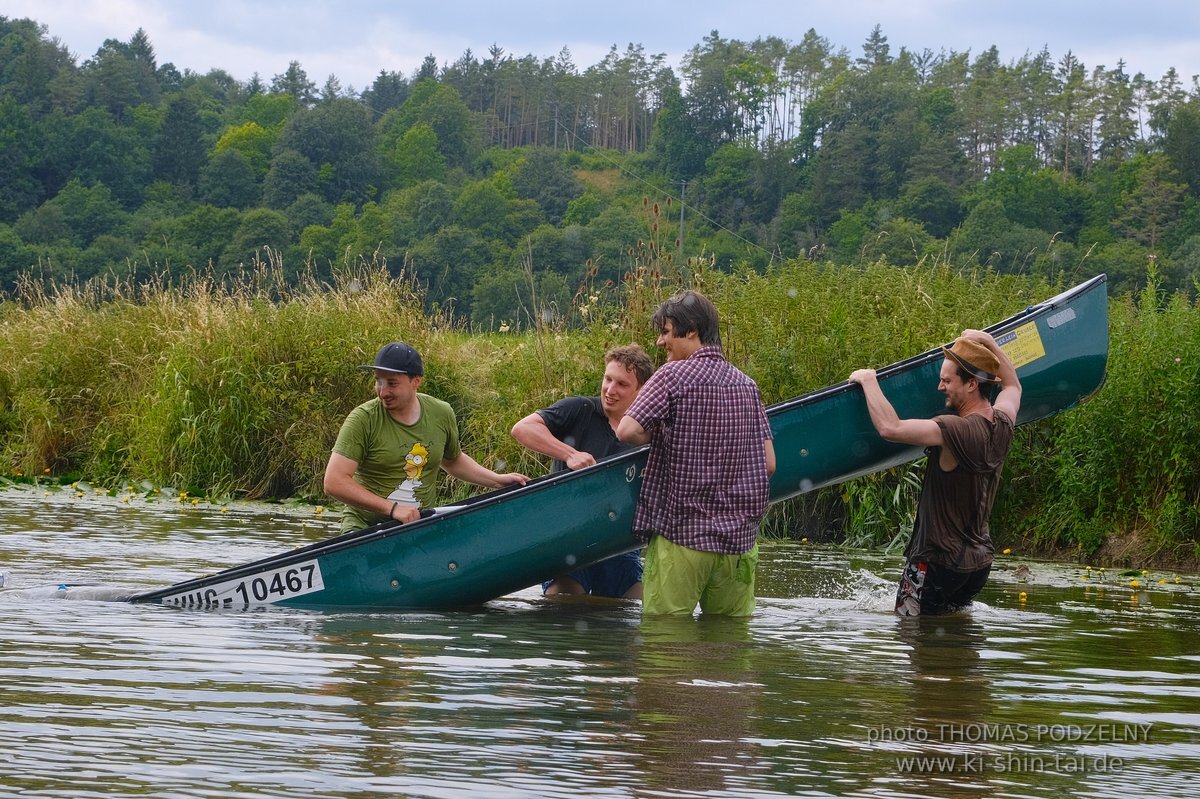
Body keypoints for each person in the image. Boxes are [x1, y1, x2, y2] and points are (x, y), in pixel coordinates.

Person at [617, 291, 776, 617]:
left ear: (690, 331)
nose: (661, 342)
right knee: (730, 653)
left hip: (682, 538)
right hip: (738, 546)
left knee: (666, 647)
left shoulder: (671, 376)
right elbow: (769, 464)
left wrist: (658, 433)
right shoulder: (747, 385)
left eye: (665, 331)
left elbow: (627, 430)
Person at [848, 329, 1022, 616]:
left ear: (971, 385)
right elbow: (1013, 386)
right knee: (955, 639)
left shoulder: (955, 429)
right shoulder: (1003, 423)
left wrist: (869, 381)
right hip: (977, 566)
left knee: (911, 634)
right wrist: (990, 343)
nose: (940, 387)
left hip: (936, 562)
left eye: (946, 380)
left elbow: (891, 429)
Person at [324, 341, 528, 532]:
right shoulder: (362, 419)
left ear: (416, 381)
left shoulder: (441, 413)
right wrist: (393, 509)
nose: (382, 392)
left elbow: (453, 460)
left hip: (418, 528)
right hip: (364, 529)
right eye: (378, 382)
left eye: (392, 383)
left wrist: (497, 481)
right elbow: (334, 481)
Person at [510, 344, 655, 599]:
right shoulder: (579, 409)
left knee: (642, 605)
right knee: (564, 600)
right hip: (569, 540)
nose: (610, 390)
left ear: (641, 390)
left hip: (619, 546)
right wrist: (569, 454)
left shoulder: (648, 432)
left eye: (622, 384)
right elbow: (522, 429)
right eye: (608, 379)